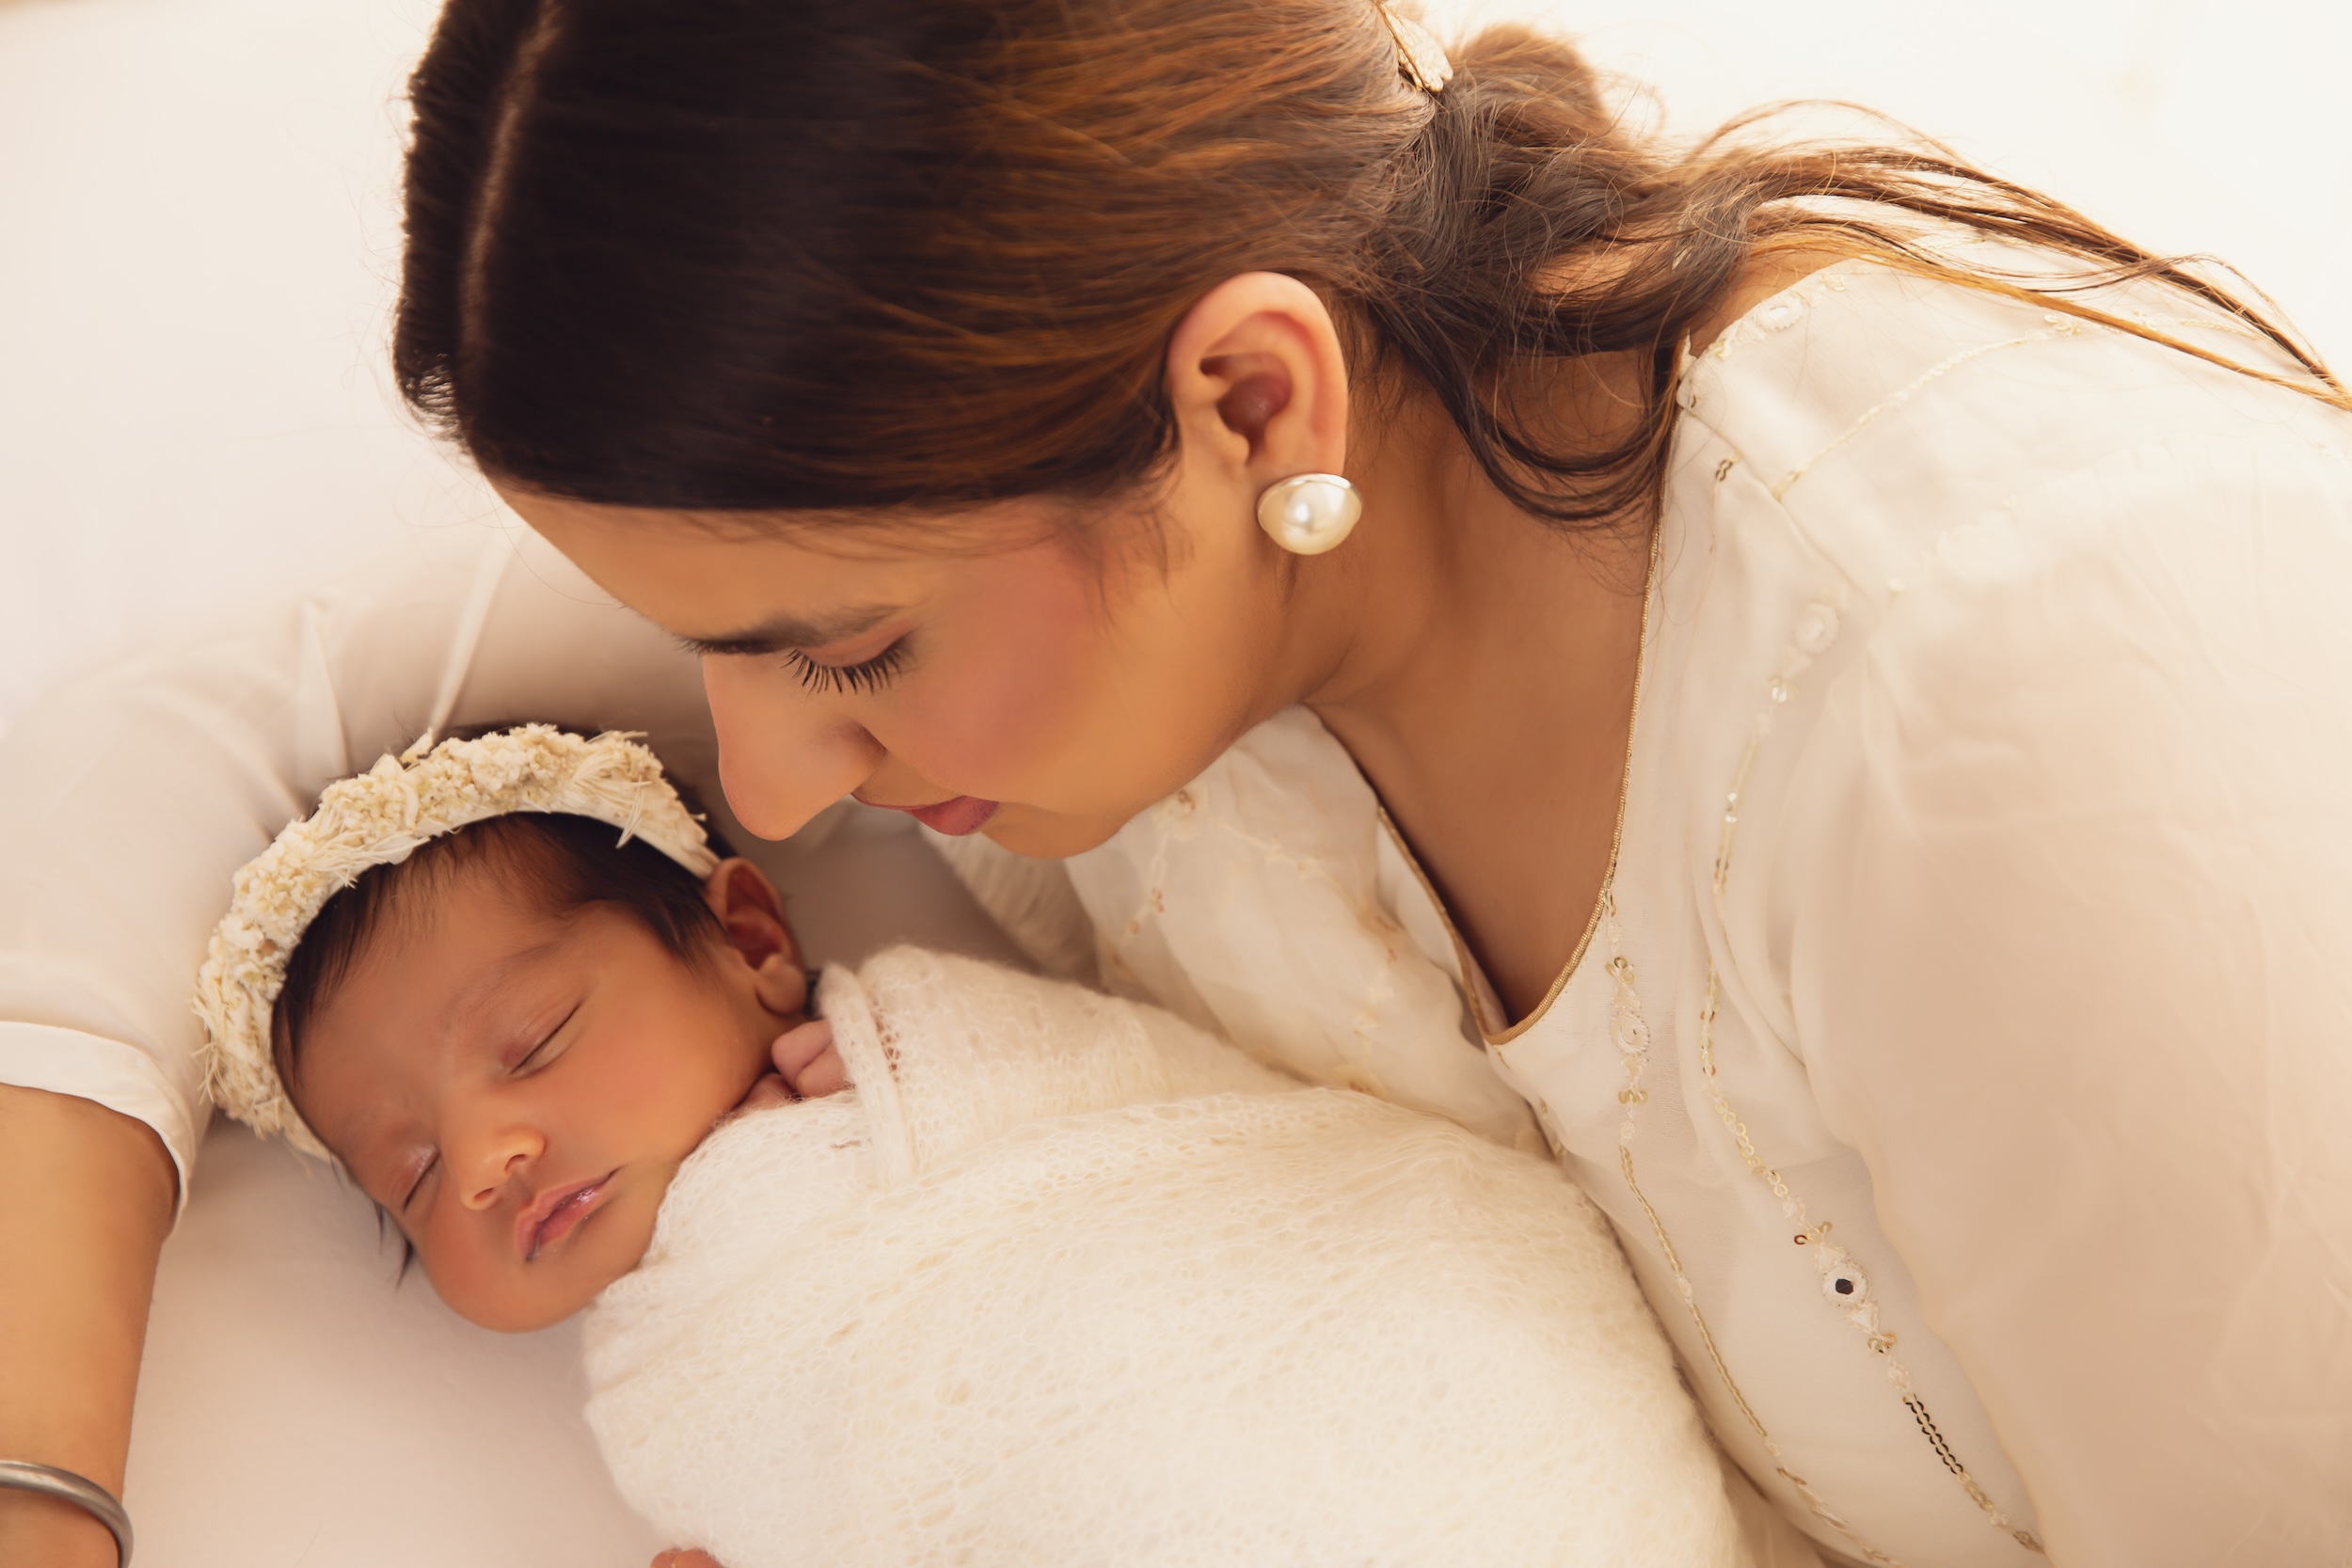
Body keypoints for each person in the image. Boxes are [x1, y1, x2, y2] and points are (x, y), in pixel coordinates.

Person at [5, 0, 2351, 1563]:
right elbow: (181, 759)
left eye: (837, 654)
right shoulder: (1147, 556)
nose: (765, 786)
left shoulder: (2007, 727)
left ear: (1249, 407)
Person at [189, 722, 1744, 1566]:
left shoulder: (966, 1078)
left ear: (746, 937)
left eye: (530, 1045)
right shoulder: (678, 1384)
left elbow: (1262, 1211)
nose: (484, 1156)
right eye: (405, 1176)